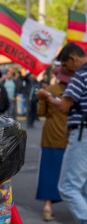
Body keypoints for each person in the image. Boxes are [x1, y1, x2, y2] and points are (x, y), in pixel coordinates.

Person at [36, 42, 87, 224]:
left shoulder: (80, 76)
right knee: (84, 187)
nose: (65, 70)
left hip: (81, 133)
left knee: (68, 187)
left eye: (65, 65)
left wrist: (46, 96)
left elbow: (65, 106)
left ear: (73, 59)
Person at [35, 66, 73, 221]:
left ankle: (47, 206)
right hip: (72, 136)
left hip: (51, 136)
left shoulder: (50, 89)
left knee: (49, 171)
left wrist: (43, 98)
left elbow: (40, 113)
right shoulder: (79, 89)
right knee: (76, 174)